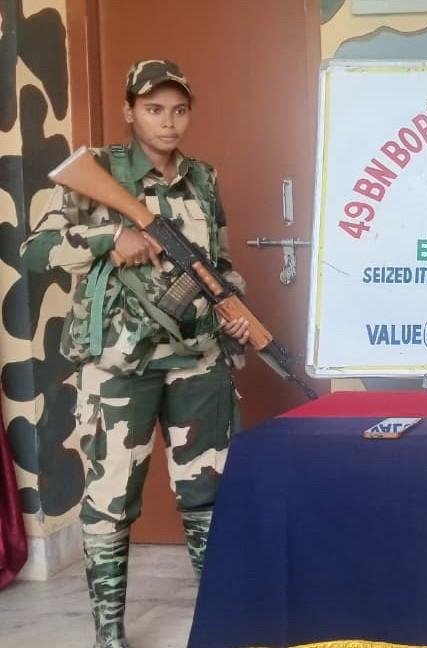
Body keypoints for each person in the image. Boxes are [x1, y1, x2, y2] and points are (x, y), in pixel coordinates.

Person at [21, 60, 250, 648]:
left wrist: (235, 306)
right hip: (119, 365)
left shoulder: (203, 177)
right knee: (110, 500)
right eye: (153, 109)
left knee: (208, 492)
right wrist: (109, 238)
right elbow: (36, 249)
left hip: (198, 358)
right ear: (129, 112)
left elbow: (218, 262)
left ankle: (219, 619)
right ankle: (109, 633)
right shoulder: (96, 171)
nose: (168, 122)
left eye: (179, 110)